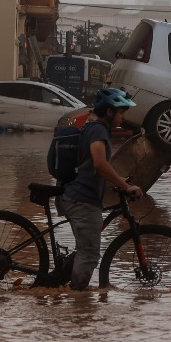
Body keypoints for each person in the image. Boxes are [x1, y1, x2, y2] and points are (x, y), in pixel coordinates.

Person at [56, 87, 142, 291]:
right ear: (110, 112)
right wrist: (125, 185)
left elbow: (95, 166)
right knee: (90, 253)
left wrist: (119, 180)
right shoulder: (98, 130)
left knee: (84, 249)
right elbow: (99, 163)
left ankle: (58, 283)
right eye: (121, 112)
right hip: (82, 201)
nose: (122, 118)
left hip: (80, 197)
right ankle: (77, 300)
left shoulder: (92, 127)